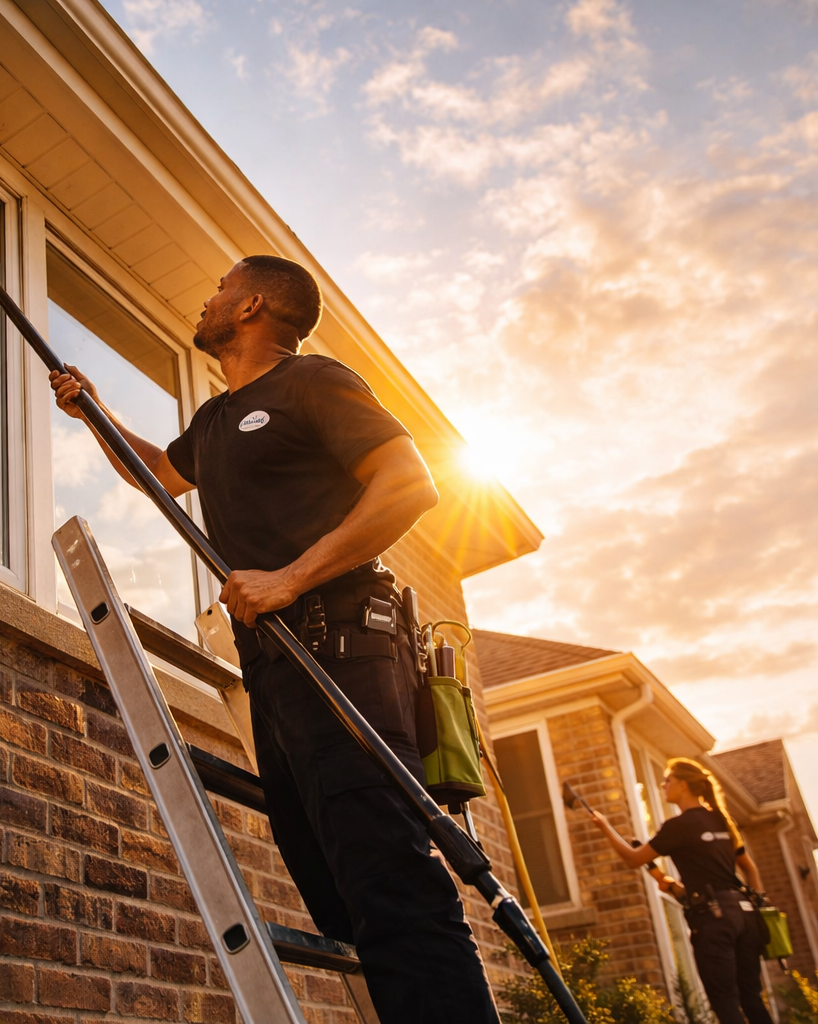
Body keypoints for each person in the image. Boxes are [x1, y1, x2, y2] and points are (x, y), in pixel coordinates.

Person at [50, 255, 498, 1023]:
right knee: (335, 897)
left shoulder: (312, 382)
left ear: (253, 305)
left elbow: (410, 483)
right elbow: (157, 472)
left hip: (343, 647)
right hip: (277, 669)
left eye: (221, 286)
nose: (208, 296)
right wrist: (93, 410)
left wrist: (289, 578)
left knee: (391, 881)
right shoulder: (219, 420)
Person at [588, 758, 773, 1024]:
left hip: (714, 919)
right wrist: (759, 907)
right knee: (751, 998)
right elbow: (749, 870)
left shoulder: (678, 827)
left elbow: (632, 858)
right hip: (745, 918)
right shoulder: (722, 821)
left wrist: (605, 826)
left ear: (683, 786)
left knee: (725, 1001)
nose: (663, 785)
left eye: (668, 780)